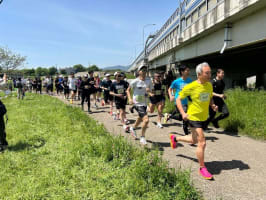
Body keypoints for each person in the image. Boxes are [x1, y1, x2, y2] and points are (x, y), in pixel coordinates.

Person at [169, 62, 218, 180]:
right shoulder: (191, 86)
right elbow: (179, 98)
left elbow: (209, 96)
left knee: (194, 139)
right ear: (199, 74)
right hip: (193, 117)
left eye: (210, 72)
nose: (210, 75)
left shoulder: (209, 85)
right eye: (207, 73)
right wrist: (183, 113)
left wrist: (212, 105)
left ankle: (175, 138)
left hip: (204, 117)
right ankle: (202, 168)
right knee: (202, 142)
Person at [126, 65, 154, 145]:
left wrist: (149, 92)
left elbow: (151, 92)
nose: (144, 71)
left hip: (144, 103)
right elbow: (127, 90)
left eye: (145, 70)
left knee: (140, 118)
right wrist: (130, 99)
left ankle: (132, 128)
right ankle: (142, 137)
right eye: (142, 70)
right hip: (137, 103)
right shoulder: (134, 81)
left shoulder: (149, 81)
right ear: (139, 72)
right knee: (146, 120)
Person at [166, 65, 193, 135]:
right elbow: (170, 89)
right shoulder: (176, 81)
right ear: (182, 72)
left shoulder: (190, 80)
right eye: (187, 70)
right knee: (185, 118)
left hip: (186, 101)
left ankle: (170, 116)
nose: (188, 72)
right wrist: (171, 95)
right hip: (178, 102)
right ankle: (187, 135)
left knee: (181, 118)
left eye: (188, 70)